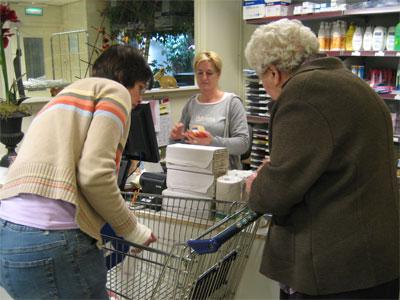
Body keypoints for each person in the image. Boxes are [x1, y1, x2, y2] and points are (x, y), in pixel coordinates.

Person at [244, 19, 399, 299]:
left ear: (274, 73)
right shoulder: (353, 83)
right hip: (377, 260)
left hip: (335, 271)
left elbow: (275, 193)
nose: (264, 86)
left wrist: (258, 183)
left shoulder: (302, 94)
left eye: (261, 78)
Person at [0, 45, 157, 299]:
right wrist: (133, 229)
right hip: (53, 241)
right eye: (140, 88)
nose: (139, 100)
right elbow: (94, 175)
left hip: (9, 240)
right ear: (121, 77)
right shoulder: (115, 92)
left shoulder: (63, 97)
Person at [170, 50, 249, 170]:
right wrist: (176, 138)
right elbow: (180, 145)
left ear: (218, 74)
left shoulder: (232, 103)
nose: (204, 78)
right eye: (200, 73)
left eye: (209, 73)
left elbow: (243, 144)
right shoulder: (191, 104)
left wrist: (211, 141)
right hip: (195, 171)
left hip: (224, 174)